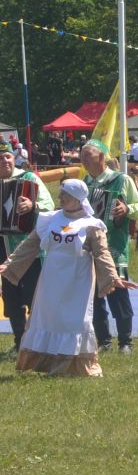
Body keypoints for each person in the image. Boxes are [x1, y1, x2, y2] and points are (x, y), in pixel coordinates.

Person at [2, 179, 130, 376]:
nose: (60, 198)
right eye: (61, 194)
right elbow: (30, 244)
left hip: (77, 280)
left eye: (65, 195)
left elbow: (102, 254)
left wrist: (113, 278)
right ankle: (47, 363)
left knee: (75, 320)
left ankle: (75, 366)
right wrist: (9, 265)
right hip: (51, 279)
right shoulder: (50, 219)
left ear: (78, 199)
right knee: (49, 319)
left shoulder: (91, 225)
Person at [80, 141, 138, 354]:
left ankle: (126, 342)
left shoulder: (121, 180)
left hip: (114, 246)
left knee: (118, 293)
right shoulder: (85, 183)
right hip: (88, 248)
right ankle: (103, 340)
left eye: (88, 155)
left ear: (101, 158)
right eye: (82, 156)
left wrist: (127, 208)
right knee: (95, 296)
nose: (83, 160)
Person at [0, 150, 54, 354]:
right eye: (0, 157)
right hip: (3, 247)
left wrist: (33, 205)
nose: (4, 160)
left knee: (34, 296)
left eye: (7, 156)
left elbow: (49, 205)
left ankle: (38, 344)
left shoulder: (28, 178)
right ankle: (19, 342)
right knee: (11, 299)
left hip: (30, 248)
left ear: (14, 159)